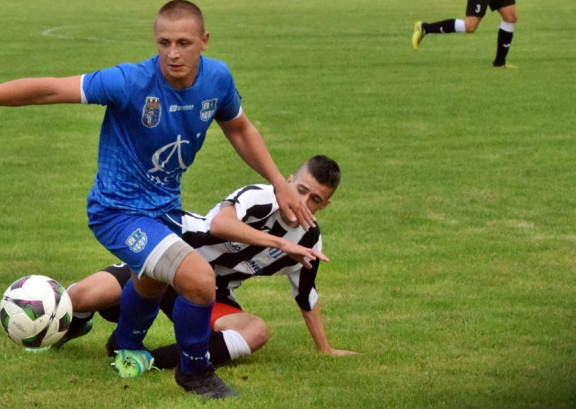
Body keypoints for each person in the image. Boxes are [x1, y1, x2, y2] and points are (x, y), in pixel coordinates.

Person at [0, 0, 314, 399]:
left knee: (150, 280)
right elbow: (52, 88)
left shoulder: (217, 79)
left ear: (204, 41)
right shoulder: (129, 82)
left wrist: (279, 181)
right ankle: (194, 372)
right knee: (198, 280)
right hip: (116, 212)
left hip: (163, 208)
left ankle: (124, 344)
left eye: (184, 42)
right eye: (164, 42)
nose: (173, 53)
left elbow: (240, 129)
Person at [57, 155, 356, 369]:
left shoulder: (309, 242)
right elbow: (220, 225)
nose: (303, 203)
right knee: (77, 299)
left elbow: (305, 295)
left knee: (255, 331)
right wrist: (279, 243)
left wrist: (325, 349)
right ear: (288, 182)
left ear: (325, 205)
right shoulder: (260, 197)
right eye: (300, 190)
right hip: (167, 254)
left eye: (315, 199)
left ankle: (149, 360)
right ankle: (78, 323)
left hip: (209, 293)